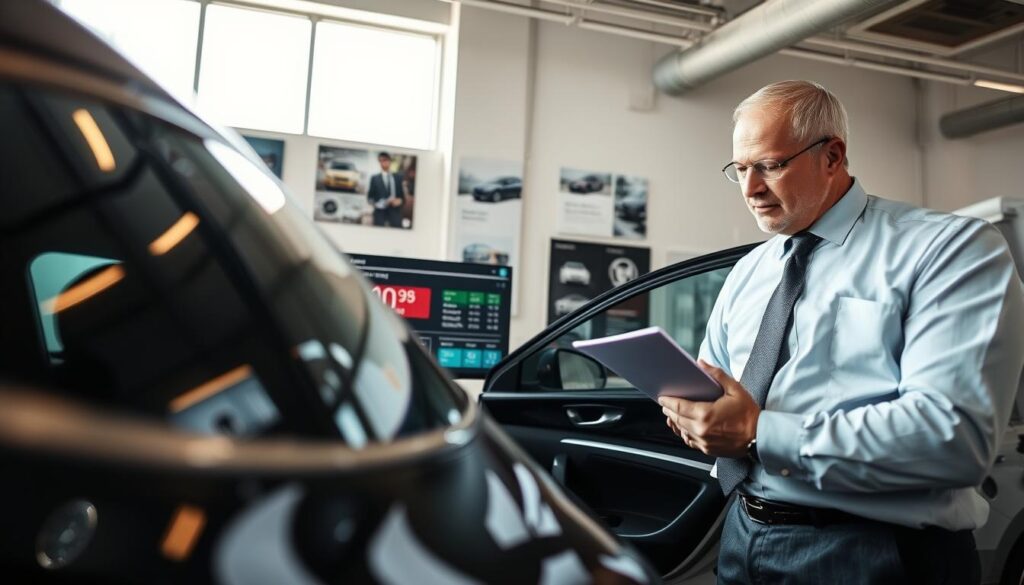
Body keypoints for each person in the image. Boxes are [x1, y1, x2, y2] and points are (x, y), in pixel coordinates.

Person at [658, 80, 1024, 584]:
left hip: (878, 552)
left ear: (832, 156)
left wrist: (759, 431)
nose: (751, 189)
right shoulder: (749, 271)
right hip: (743, 536)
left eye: (769, 165)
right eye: (740, 170)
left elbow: (951, 438)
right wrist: (696, 417)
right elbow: (722, 392)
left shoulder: (950, 250)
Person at [367, 152, 404, 227]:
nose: (383, 162)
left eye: (385, 160)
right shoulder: (374, 178)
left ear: (390, 161)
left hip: (394, 212)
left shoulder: (398, 177)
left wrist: (399, 201)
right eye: (380, 160)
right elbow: (370, 198)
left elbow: (402, 197)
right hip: (380, 213)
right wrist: (378, 203)